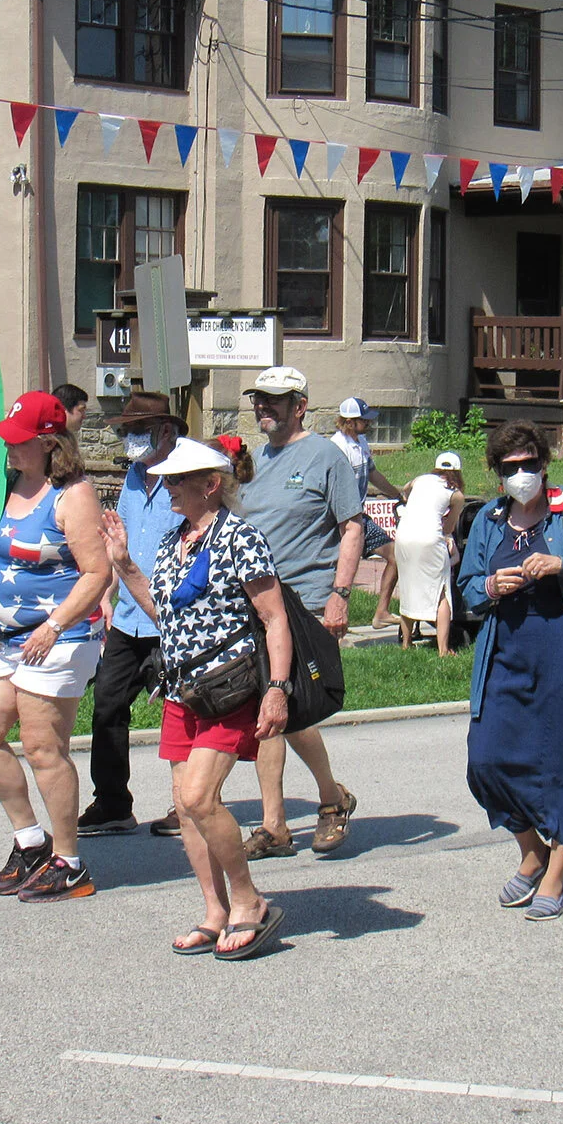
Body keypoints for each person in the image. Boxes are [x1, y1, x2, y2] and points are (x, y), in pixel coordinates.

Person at [101, 437, 295, 958]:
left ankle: (249, 900)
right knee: (186, 812)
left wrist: (277, 690)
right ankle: (215, 910)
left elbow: (274, 618)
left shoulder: (241, 538)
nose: (166, 489)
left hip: (230, 687)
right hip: (181, 689)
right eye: (165, 480)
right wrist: (124, 565)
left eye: (176, 481)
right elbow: (165, 613)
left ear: (211, 485)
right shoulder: (175, 540)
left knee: (198, 799)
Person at [457, 421, 563, 921]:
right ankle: (530, 850)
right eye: (511, 468)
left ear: (545, 464)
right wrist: (492, 584)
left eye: (530, 464)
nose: (522, 474)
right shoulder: (488, 520)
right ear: (497, 473)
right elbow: (467, 587)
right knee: (485, 761)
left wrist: (562, 564)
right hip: (505, 652)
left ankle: (556, 871)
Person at [0, 390, 113, 904]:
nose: (11, 448)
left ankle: (69, 862)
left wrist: (54, 624)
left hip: (59, 637)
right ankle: (30, 840)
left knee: (44, 747)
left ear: (50, 442)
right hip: (3, 639)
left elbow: (97, 571)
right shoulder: (5, 484)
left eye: (21, 441)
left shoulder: (73, 495)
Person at [238, 366, 361, 859]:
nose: (262, 407)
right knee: (267, 710)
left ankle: (329, 801)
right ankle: (278, 825)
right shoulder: (253, 461)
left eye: (273, 400)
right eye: (258, 399)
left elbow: (352, 527)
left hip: (306, 602)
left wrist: (341, 594)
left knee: (287, 707)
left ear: (300, 405)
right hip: (257, 604)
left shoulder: (325, 457)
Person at [78, 391, 187, 839]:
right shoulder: (133, 477)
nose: (129, 440)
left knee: (183, 712)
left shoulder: (185, 477)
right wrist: (106, 595)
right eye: (126, 432)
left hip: (170, 616)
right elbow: (117, 542)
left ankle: (189, 804)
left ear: (165, 431)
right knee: (107, 704)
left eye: (136, 432)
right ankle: (112, 803)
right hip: (127, 618)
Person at [328, 397, 407, 628]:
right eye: (365, 420)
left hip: (360, 517)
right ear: (351, 422)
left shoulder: (360, 442)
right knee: (341, 572)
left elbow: (373, 474)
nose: (369, 424)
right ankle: (334, 619)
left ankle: (381, 612)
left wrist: (396, 494)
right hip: (340, 519)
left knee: (395, 556)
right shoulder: (337, 447)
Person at [392, 450, 465, 655]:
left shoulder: (420, 480)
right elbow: (449, 528)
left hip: (404, 536)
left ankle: (406, 643)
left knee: (408, 588)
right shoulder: (456, 494)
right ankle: (443, 649)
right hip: (430, 539)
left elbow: (405, 491)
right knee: (441, 592)